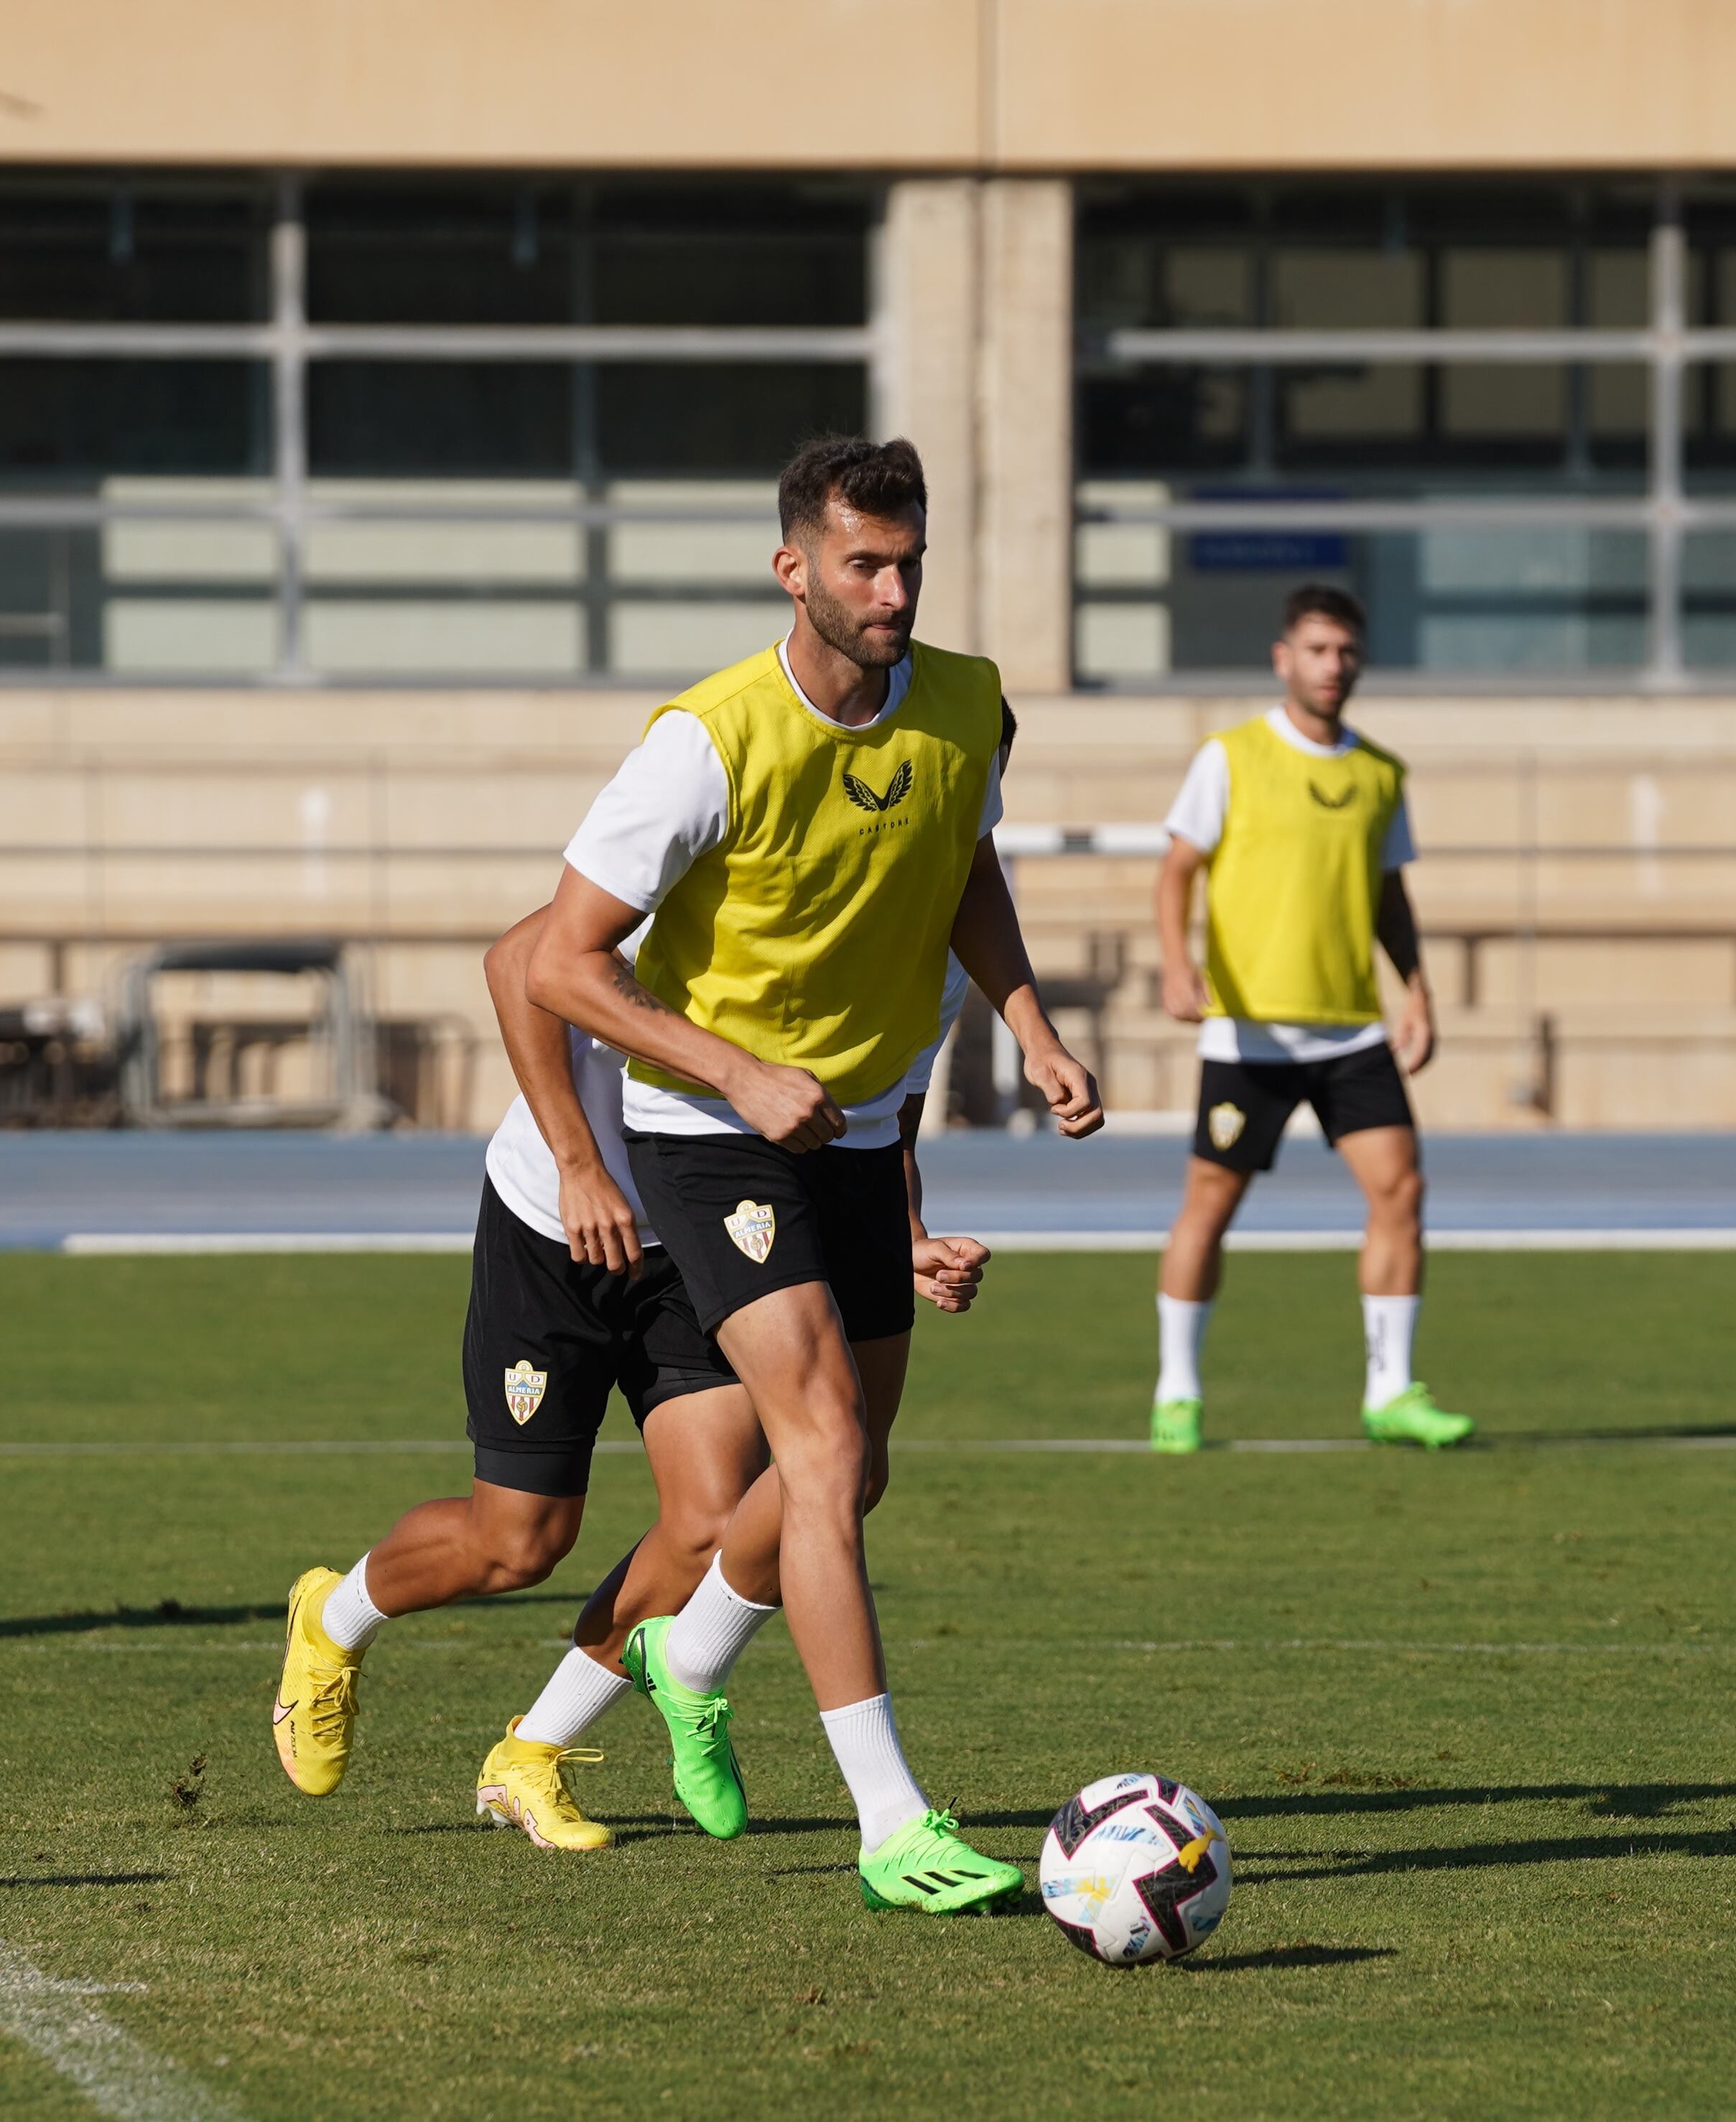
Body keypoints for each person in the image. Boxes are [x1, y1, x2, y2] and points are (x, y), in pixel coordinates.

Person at [525, 434, 1103, 1915]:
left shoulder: (970, 705)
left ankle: (686, 1651)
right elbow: (556, 960)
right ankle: (890, 1822)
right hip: (710, 1129)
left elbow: (964, 861)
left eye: (909, 561)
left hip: (855, 1125)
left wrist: (1030, 1026)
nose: (894, 589)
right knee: (828, 1447)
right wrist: (733, 1068)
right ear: (795, 570)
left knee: (854, 1464)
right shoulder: (705, 740)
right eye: (864, 563)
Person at [269, 907, 985, 1853]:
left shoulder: (913, 946)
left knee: (712, 1523)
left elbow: (881, 1116)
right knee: (519, 1542)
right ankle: (334, 1615)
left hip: (705, 1238)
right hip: (552, 1222)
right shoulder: (718, 857)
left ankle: (532, 1750)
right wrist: (577, 1164)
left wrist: (904, 1239)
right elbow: (518, 962)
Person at [1145, 583, 1467, 1455]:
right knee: (1209, 1207)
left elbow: (1388, 896)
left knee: (1400, 1191)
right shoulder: (1230, 756)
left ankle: (1390, 1390)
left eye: (1346, 651)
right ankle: (1177, 1389)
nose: (1333, 666)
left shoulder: (1379, 774)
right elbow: (1177, 869)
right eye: (1317, 650)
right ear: (1283, 657)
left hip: (1350, 1031)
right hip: (1249, 1032)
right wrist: (1178, 964)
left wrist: (1418, 988)